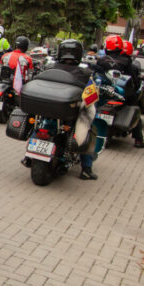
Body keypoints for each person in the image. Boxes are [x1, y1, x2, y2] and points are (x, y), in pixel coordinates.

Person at [51, 39, 101, 180]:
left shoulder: (50, 67)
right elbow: (90, 99)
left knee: (41, 125)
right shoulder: (85, 73)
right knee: (87, 127)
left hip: (50, 109)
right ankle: (86, 169)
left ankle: (28, 155)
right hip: (71, 112)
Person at [96, 34, 144, 148]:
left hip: (103, 92)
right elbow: (134, 79)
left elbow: (96, 75)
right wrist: (135, 88)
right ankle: (138, 139)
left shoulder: (101, 60)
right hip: (121, 94)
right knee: (134, 108)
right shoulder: (126, 61)